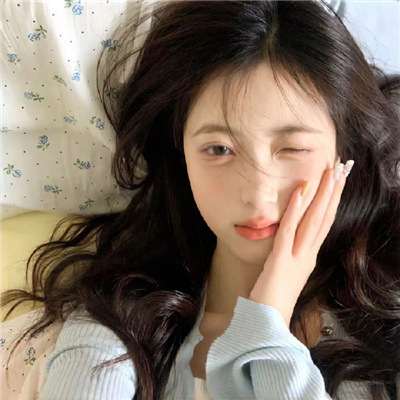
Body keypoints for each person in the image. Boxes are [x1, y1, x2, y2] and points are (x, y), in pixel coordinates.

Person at [1, 1, 400, 399]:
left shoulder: (387, 318)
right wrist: (267, 320)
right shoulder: (117, 327)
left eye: (292, 149)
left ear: (344, 149)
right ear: (182, 157)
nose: (257, 193)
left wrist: (267, 328)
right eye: (219, 149)